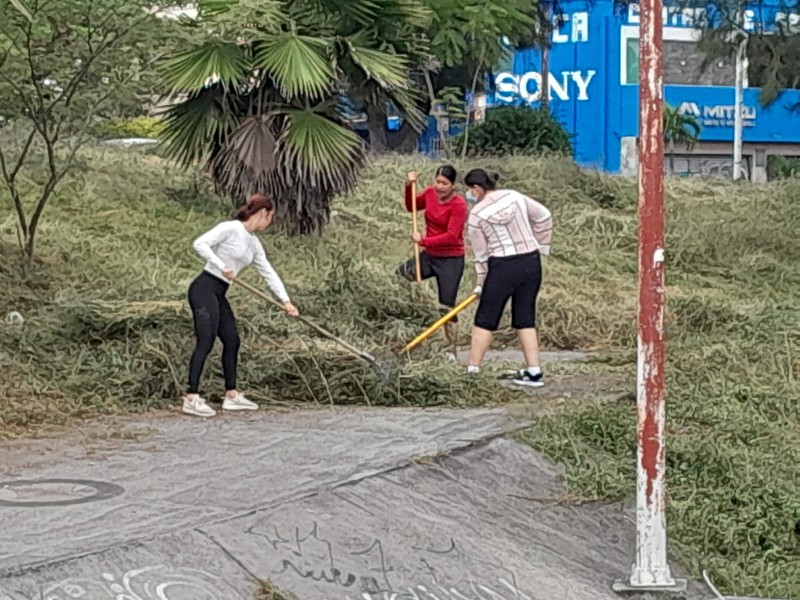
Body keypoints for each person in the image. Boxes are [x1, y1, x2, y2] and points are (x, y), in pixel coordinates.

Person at [182, 193, 299, 417]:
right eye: (270, 217)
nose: (270, 222)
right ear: (264, 213)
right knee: (206, 340)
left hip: (220, 292)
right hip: (204, 288)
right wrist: (219, 264)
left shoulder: (254, 243)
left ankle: (231, 395)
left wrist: (286, 301)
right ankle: (191, 397)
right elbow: (200, 243)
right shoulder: (231, 228)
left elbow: (268, 272)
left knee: (232, 340)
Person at [463, 169, 553, 387]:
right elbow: (544, 216)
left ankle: (472, 371)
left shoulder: (476, 215)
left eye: (468, 189)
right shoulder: (515, 196)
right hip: (531, 262)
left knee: (486, 317)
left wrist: (480, 283)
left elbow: (481, 255)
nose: (467, 194)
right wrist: (541, 247)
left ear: (476, 188)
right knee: (525, 316)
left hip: (502, 265)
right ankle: (534, 371)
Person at [396, 166, 469, 351]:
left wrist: (423, 240)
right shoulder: (429, 193)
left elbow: (452, 236)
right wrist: (409, 185)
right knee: (399, 277)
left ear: (453, 185)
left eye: (444, 183)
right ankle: (408, 320)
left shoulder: (458, 205)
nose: (439, 186)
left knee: (446, 306)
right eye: (438, 181)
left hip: (451, 260)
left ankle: (451, 348)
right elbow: (411, 206)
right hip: (430, 256)